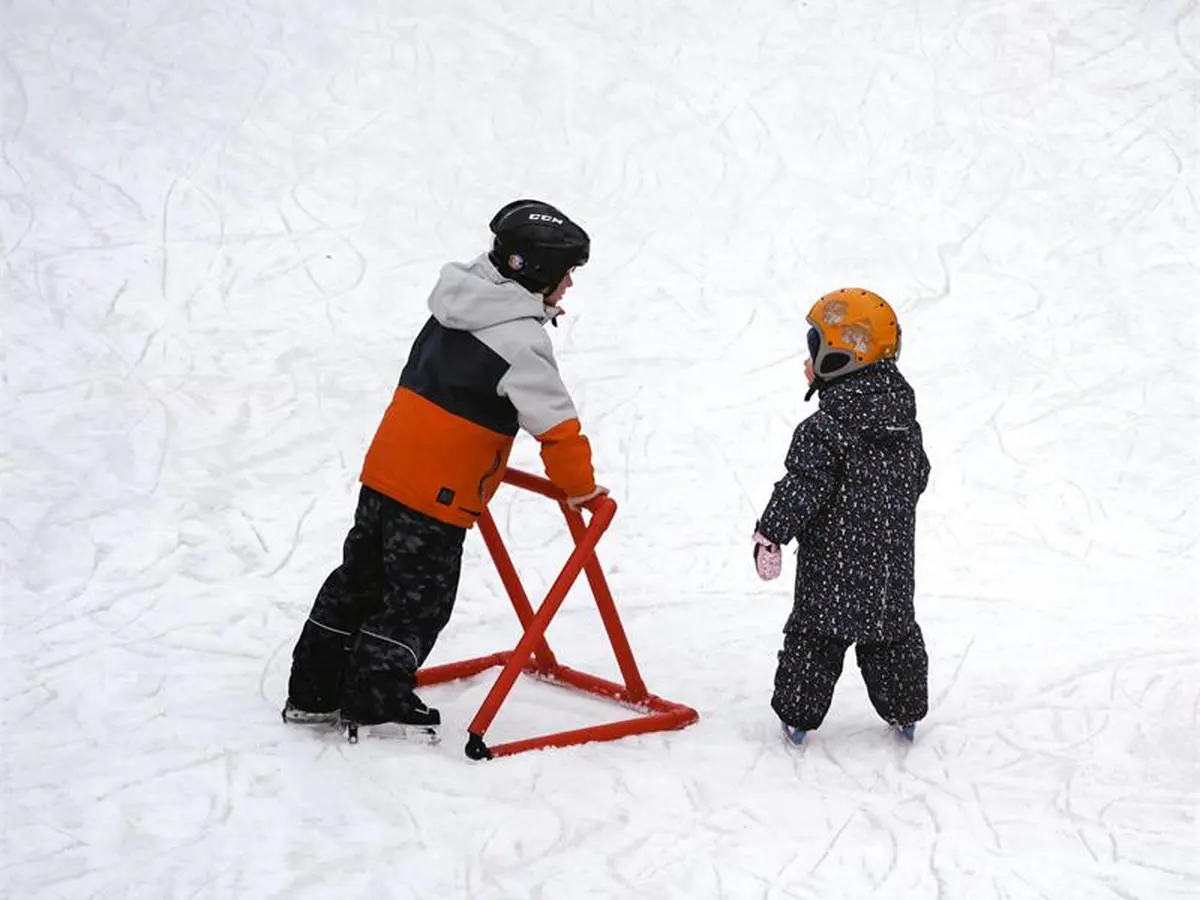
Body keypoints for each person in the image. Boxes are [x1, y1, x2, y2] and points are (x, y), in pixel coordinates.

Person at [283, 199, 607, 739]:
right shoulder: (520, 340)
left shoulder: (456, 303)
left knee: (358, 580)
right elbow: (556, 427)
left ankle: (313, 691)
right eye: (567, 273)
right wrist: (579, 489)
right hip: (436, 496)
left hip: (384, 475)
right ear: (539, 272)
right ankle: (377, 700)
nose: (570, 284)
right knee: (416, 603)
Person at [752, 288, 931, 745]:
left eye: (813, 352)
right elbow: (919, 475)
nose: (805, 363)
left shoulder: (824, 430)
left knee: (814, 643)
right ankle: (905, 712)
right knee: (892, 638)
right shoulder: (903, 425)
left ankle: (797, 717)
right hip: (890, 572)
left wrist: (770, 533)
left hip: (830, 573)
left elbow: (801, 488)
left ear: (840, 359)